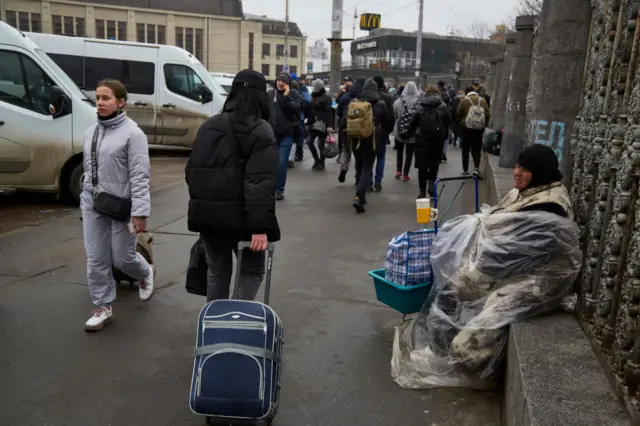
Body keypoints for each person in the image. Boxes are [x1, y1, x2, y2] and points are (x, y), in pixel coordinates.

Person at [393, 144, 581, 388]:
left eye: (524, 169)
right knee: (450, 290)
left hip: (536, 280)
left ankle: (469, 366)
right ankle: (437, 350)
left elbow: (518, 254)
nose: (516, 172)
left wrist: (477, 271)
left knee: (471, 328)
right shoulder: (532, 190)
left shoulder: (548, 206)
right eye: (516, 166)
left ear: (540, 172)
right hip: (514, 267)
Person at [185, 69, 280, 302]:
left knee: (217, 273)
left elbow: (191, 172)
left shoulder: (209, 126)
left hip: (209, 218)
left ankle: (215, 325)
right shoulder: (261, 131)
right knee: (252, 271)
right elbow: (259, 182)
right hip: (244, 221)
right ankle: (234, 319)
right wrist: (260, 228)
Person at [80, 79, 154, 331]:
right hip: (93, 203)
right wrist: (86, 195)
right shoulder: (91, 132)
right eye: (98, 98)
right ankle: (102, 306)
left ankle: (145, 273)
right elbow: (90, 169)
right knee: (96, 257)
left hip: (122, 206)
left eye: (106, 98)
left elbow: (140, 175)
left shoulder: (134, 135)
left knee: (122, 258)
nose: (100, 103)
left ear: (121, 102)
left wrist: (140, 212)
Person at [343, 78, 389, 213]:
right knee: (367, 169)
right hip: (372, 140)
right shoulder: (381, 104)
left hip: (356, 139)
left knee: (358, 167)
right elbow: (387, 122)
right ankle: (359, 197)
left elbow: (344, 122)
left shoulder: (355, 103)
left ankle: (359, 196)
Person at [404, 85, 450, 198]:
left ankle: (422, 191)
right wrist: (445, 137)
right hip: (437, 141)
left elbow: (413, 123)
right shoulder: (442, 106)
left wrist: (408, 134)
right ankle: (432, 187)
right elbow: (447, 122)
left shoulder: (420, 106)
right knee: (434, 165)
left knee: (422, 167)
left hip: (421, 140)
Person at [267, 72, 302, 200]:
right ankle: (270, 187)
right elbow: (265, 111)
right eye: (279, 80)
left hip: (287, 134)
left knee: (282, 162)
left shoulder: (294, 95)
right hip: (272, 133)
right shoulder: (270, 94)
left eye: (284, 82)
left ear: (288, 84)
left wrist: (286, 97)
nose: (280, 83)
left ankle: (279, 189)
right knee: (271, 162)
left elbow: (296, 109)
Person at [336, 76, 366, 183]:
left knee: (346, 151)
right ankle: (358, 178)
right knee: (359, 156)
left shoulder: (345, 97)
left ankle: (344, 168)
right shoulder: (364, 99)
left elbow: (339, 112)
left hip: (346, 130)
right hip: (359, 131)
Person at [458, 86, 490, 179]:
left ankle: (465, 170)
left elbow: (459, 113)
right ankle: (476, 168)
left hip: (466, 128)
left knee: (465, 150)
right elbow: (487, 114)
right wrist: (483, 124)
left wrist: (463, 120)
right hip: (478, 129)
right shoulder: (482, 100)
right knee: (476, 149)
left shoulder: (463, 101)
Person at [371, 76, 395, 191]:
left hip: (368, 132)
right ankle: (378, 182)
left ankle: (368, 182)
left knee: (369, 158)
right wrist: (387, 131)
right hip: (382, 133)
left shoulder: (366, 97)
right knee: (381, 157)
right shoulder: (388, 98)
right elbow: (391, 117)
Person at [393, 81, 420, 181]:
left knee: (399, 151)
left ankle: (398, 170)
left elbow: (394, 116)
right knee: (409, 153)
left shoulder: (398, 101)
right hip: (413, 132)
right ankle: (406, 174)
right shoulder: (419, 102)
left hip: (399, 131)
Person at [307, 78, 333, 171]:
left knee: (320, 144)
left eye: (315, 86)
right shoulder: (313, 96)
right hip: (312, 123)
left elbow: (329, 112)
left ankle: (321, 163)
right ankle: (316, 160)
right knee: (309, 142)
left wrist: (330, 126)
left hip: (322, 123)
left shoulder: (326, 98)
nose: (314, 88)